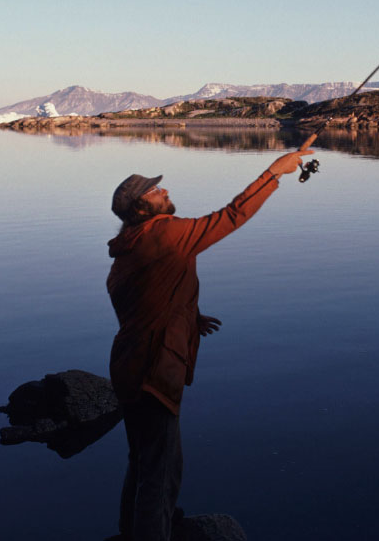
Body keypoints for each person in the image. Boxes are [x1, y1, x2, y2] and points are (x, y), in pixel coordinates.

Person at [106, 148, 313, 541]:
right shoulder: (166, 234)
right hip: (152, 371)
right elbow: (232, 216)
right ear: (140, 208)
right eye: (153, 191)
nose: (163, 190)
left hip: (127, 367)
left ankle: (131, 531)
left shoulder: (129, 249)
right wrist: (275, 172)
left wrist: (190, 316)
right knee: (162, 468)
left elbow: (146, 299)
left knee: (143, 459)